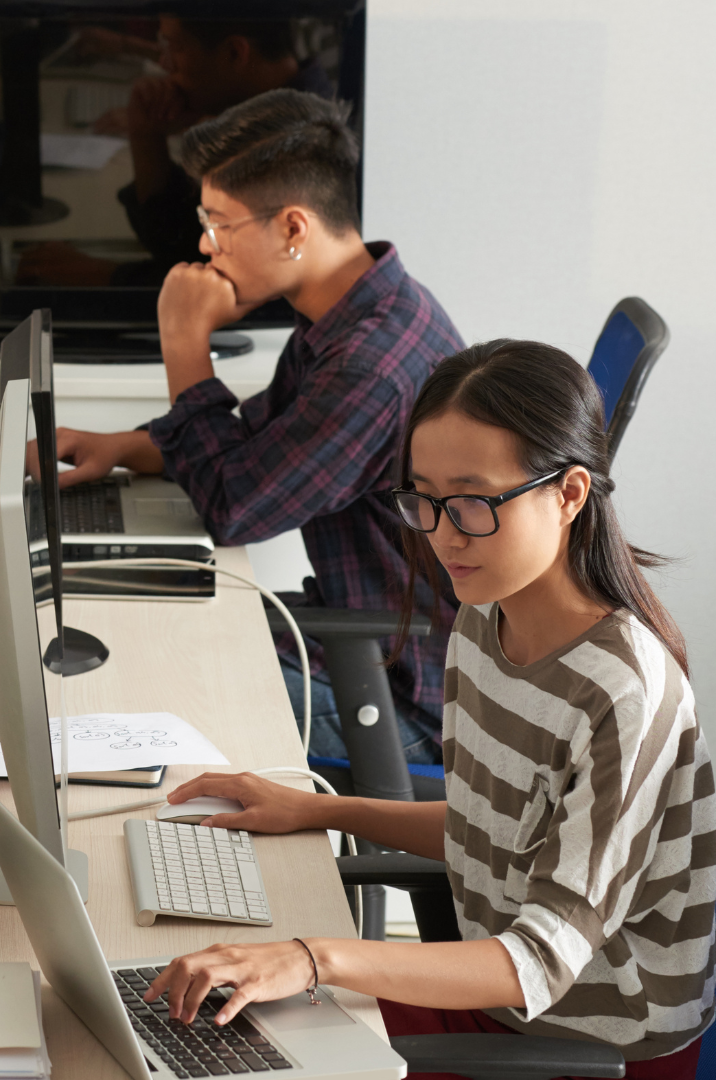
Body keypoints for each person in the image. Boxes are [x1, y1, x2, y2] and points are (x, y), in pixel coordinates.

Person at [147, 341, 716, 1079]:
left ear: (570, 493)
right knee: (196, 1019)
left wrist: (315, 958)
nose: (444, 534)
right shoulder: (486, 615)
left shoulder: (622, 693)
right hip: (499, 1005)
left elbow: (540, 960)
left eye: (475, 503)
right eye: (425, 500)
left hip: (584, 1046)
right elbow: (490, 831)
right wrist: (317, 811)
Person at [41, 89, 463, 764]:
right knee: (130, 625)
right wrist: (121, 448)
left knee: (118, 688)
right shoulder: (358, 308)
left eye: (219, 224)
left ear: (293, 227)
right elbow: (257, 441)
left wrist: (183, 339)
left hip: (397, 698)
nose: (206, 248)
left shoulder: (369, 369)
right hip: (356, 643)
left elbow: (232, 506)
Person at [19, 16, 336, 287]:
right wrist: (145, 132)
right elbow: (174, 242)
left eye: (177, 47)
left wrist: (104, 277)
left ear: (234, 53)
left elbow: (227, 290)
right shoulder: (271, 117)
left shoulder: (301, 151)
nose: (165, 63)